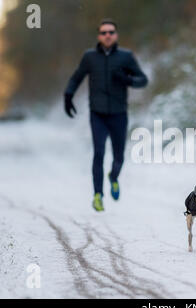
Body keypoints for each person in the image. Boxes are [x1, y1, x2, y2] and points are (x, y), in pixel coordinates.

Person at [64, 19, 148, 212]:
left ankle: (114, 177)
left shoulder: (126, 57)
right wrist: (68, 95)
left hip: (119, 114)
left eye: (111, 32)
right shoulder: (90, 57)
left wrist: (127, 80)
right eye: (103, 32)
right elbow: (76, 77)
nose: (107, 35)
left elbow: (142, 80)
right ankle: (98, 195)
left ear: (116, 35)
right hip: (98, 114)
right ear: (98, 36)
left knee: (119, 156)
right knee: (99, 153)